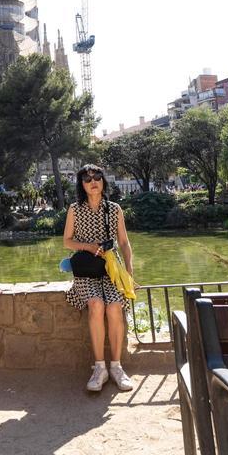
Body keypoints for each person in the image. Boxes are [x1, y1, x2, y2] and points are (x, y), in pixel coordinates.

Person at [62, 164, 135, 392]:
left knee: (114, 307)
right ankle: (99, 368)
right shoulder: (75, 209)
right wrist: (89, 247)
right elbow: (67, 241)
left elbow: (123, 242)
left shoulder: (114, 209)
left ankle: (116, 366)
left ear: (103, 181)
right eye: (87, 178)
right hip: (87, 268)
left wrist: (129, 274)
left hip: (111, 268)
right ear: (82, 185)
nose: (92, 181)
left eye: (97, 177)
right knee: (96, 305)